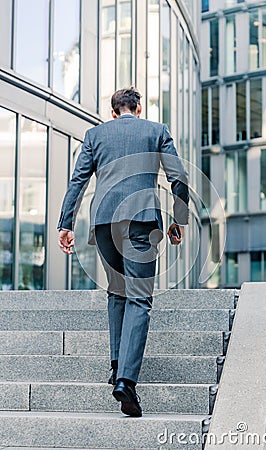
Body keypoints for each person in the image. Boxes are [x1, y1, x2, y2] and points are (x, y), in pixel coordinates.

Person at [57, 87, 189, 417]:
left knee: (117, 294)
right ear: (138, 108)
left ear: (114, 111)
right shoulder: (157, 131)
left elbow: (78, 181)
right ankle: (126, 382)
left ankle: (117, 366)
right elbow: (179, 178)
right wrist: (181, 219)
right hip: (140, 221)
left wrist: (66, 224)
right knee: (140, 298)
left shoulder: (95, 135)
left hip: (104, 224)